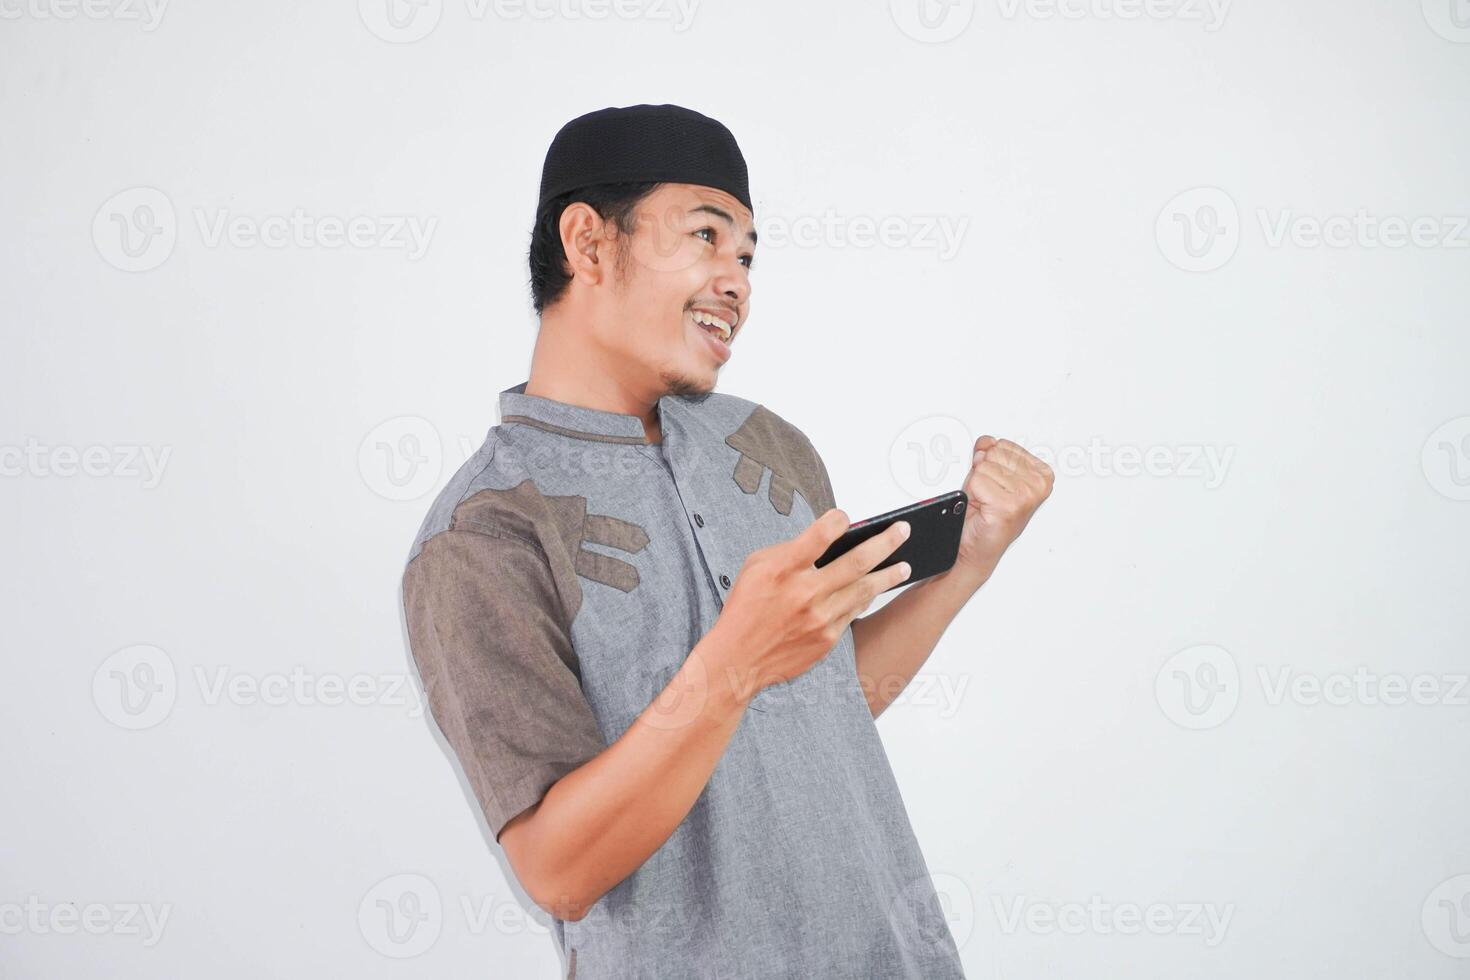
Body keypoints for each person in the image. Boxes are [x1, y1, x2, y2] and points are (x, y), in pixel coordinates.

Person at [400, 103, 1054, 979]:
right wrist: (731, 664)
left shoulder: (768, 447)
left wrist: (968, 560)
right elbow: (557, 870)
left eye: (747, 254)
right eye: (706, 237)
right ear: (589, 244)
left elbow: (823, 701)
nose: (736, 280)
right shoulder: (483, 535)